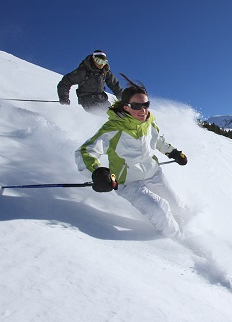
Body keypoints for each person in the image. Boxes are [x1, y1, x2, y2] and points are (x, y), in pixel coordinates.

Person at [75, 82, 190, 239]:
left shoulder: (150, 122)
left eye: (146, 105)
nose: (143, 110)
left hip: (153, 172)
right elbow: (86, 151)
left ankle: (188, 229)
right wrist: (98, 172)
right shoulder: (114, 127)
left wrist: (174, 153)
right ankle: (179, 242)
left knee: (178, 207)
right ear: (126, 107)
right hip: (128, 181)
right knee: (160, 210)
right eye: (136, 106)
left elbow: (157, 141)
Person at [57, 50, 123, 114]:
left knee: (117, 115)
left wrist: (124, 99)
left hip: (102, 99)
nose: (101, 64)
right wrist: (64, 97)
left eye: (104, 62)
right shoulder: (83, 71)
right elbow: (65, 82)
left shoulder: (105, 72)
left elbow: (115, 86)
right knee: (107, 116)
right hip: (87, 100)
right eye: (99, 61)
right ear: (93, 59)